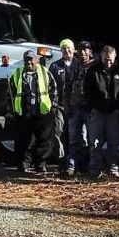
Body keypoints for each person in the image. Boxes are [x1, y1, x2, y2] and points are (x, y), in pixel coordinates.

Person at [9, 49, 57, 173]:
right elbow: (10, 93)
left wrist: (53, 107)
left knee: (43, 139)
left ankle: (40, 164)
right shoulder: (17, 73)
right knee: (24, 140)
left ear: (36, 60)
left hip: (43, 110)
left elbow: (53, 90)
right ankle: (24, 164)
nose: (29, 62)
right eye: (26, 60)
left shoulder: (45, 72)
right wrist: (12, 110)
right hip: (24, 111)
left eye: (31, 59)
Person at [84, 44, 119, 178]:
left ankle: (113, 169)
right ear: (101, 57)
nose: (108, 62)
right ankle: (95, 169)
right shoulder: (93, 71)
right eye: (105, 60)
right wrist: (93, 107)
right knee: (95, 142)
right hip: (97, 112)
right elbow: (88, 91)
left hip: (114, 112)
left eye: (110, 60)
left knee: (113, 142)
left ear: (115, 56)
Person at [63, 40, 96, 176]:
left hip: (90, 108)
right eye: (81, 49)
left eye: (86, 50)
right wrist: (66, 106)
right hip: (75, 107)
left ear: (90, 51)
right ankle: (72, 167)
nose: (83, 52)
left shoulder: (95, 67)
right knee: (74, 139)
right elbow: (66, 88)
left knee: (92, 140)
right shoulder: (73, 66)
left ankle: (91, 166)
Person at [48, 39, 76, 169]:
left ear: (74, 49)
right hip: (59, 105)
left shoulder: (79, 65)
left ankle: (76, 162)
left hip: (76, 106)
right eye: (64, 48)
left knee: (75, 134)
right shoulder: (54, 66)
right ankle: (62, 161)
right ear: (61, 50)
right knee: (59, 133)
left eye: (69, 48)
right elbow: (49, 86)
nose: (67, 50)